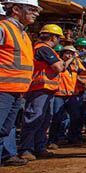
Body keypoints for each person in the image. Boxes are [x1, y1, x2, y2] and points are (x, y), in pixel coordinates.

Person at [0, 0, 39, 173]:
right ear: (15, 9)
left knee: (4, 132)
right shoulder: (3, 28)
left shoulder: (22, 34)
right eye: (32, 9)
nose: (36, 14)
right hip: (2, 90)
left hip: (16, 91)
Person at [20, 24, 67, 160]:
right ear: (52, 37)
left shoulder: (45, 50)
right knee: (34, 118)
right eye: (58, 37)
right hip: (39, 89)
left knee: (44, 119)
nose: (59, 40)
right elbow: (59, 67)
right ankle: (26, 148)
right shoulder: (43, 49)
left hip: (47, 89)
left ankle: (39, 147)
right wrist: (62, 63)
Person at [48, 46, 85, 147]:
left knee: (76, 117)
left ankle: (72, 137)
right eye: (67, 53)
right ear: (62, 54)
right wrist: (72, 58)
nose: (69, 55)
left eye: (71, 54)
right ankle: (53, 140)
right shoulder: (59, 62)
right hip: (59, 95)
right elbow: (62, 68)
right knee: (56, 118)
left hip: (72, 95)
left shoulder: (74, 65)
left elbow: (84, 71)